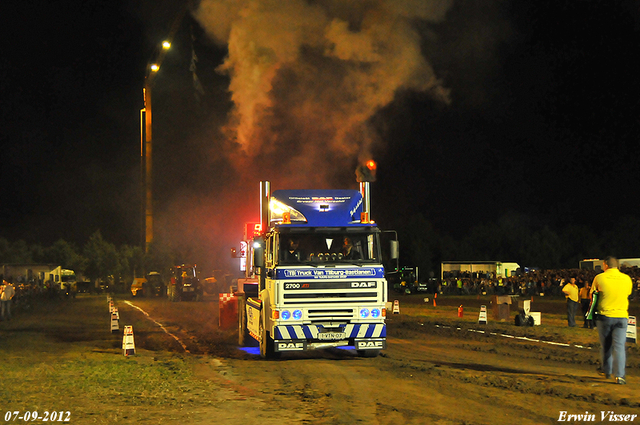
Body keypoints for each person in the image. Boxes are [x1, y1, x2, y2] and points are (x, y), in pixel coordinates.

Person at [590, 256, 633, 385]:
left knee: (606, 346)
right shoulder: (626, 279)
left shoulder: (600, 278)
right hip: (622, 316)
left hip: (605, 315)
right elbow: (628, 293)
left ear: (605, 265)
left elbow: (592, 294)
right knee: (619, 347)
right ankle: (620, 375)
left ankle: (607, 371)